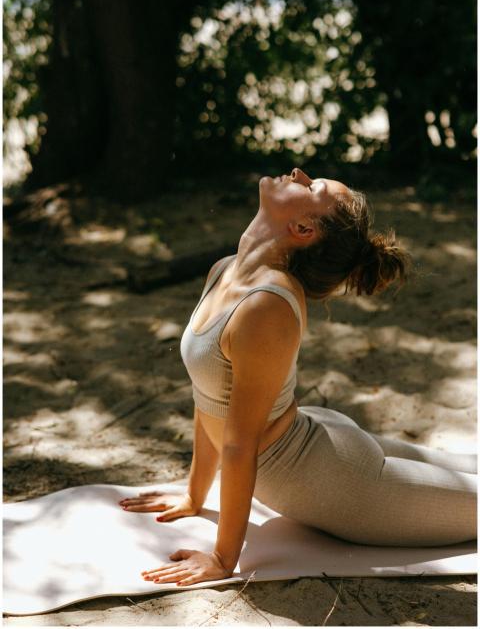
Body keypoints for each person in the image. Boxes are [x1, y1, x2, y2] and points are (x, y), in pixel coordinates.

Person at [119, 168, 477, 587]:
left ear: (304, 227)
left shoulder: (265, 307)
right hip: (322, 444)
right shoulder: (225, 270)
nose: (299, 173)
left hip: (336, 480)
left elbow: (238, 444)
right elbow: (211, 398)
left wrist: (221, 558)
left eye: (313, 187)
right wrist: (194, 495)